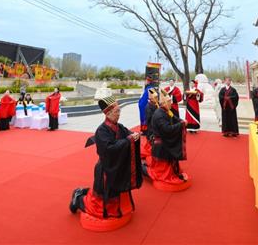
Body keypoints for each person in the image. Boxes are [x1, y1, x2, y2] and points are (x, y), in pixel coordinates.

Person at [69, 96, 142, 226]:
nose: (119, 114)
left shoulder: (119, 127)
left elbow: (127, 134)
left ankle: (86, 193)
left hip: (116, 166)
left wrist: (134, 136)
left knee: (115, 195)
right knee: (99, 206)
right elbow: (109, 149)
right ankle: (78, 198)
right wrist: (129, 140)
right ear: (108, 114)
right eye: (117, 112)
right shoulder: (101, 131)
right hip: (106, 170)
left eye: (119, 111)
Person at [144, 90, 190, 189]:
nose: (171, 103)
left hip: (164, 142)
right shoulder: (160, 114)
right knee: (159, 172)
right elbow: (167, 129)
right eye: (169, 101)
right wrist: (181, 124)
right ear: (164, 103)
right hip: (160, 146)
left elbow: (174, 119)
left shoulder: (166, 111)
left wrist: (181, 121)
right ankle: (142, 169)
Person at [140, 88, 160, 162]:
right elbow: (149, 120)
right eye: (155, 98)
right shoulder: (148, 107)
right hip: (151, 129)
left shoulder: (155, 104)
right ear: (151, 98)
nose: (157, 99)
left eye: (157, 97)